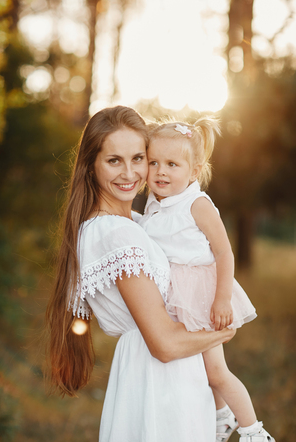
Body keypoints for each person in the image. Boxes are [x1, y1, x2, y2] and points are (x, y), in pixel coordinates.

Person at [45, 106, 236, 442]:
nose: (130, 173)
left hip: (167, 378)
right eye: (114, 160)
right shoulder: (119, 234)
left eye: (138, 158)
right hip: (160, 383)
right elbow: (164, 344)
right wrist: (222, 334)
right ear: (91, 166)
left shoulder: (134, 223)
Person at [139, 118, 275, 442]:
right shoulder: (154, 202)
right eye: (154, 162)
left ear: (194, 171)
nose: (160, 171)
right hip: (175, 295)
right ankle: (221, 416)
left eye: (172, 164)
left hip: (201, 295)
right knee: (196, 371)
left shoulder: (196, 204)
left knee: (215, 372)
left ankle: (253, 430)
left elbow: (225, 253)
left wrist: (222, 299)